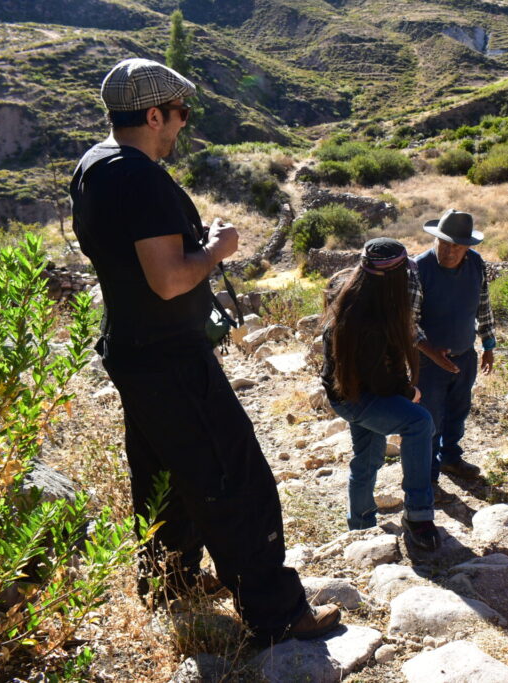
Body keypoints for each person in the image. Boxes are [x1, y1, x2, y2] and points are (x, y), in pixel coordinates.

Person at [69, 57, 339, 642]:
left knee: (164, 472)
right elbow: (169, 280)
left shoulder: (93, 165)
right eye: (180, 114)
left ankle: (172, 582)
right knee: (235, 477)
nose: (183, 124)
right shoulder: (140, 179)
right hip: (170, 354)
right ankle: (276, 612)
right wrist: (217, 248)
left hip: (131, 346)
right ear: (154, 115)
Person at [321, 238, 441, 551]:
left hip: (346, 392)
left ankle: (360, 526)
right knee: (419, 423)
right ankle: (418, 515)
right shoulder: (371, 317)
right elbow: (380, 378)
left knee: (368, 457)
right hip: (360, 395)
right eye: (404, 274)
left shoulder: (351, 291)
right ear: (392, 277)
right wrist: (409, 392)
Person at [411, 209, 496, 487]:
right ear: (435, 239)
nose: (448, 251)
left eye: (456, 246)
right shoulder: (418, 268)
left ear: (467, 247)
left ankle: (450, 458)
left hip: (464, 356)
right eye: (443, 243)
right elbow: (408, 321)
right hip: (427, 362)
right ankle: (427, 481)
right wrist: (431, 351)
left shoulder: (476, 263)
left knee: (458, 413)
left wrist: (488, 344)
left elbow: (483, 305)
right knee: (430, 420)